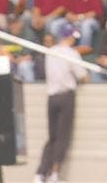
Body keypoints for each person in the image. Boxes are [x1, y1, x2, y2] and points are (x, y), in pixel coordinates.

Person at [36, 23, 88, 183]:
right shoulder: (72, 53)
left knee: (52, 137)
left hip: (51, 97)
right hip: (66, 97)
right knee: (62, 136)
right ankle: (54, 173)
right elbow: (83, 76)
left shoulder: (50, 52)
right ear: (70, 37)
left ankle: (40, 173)